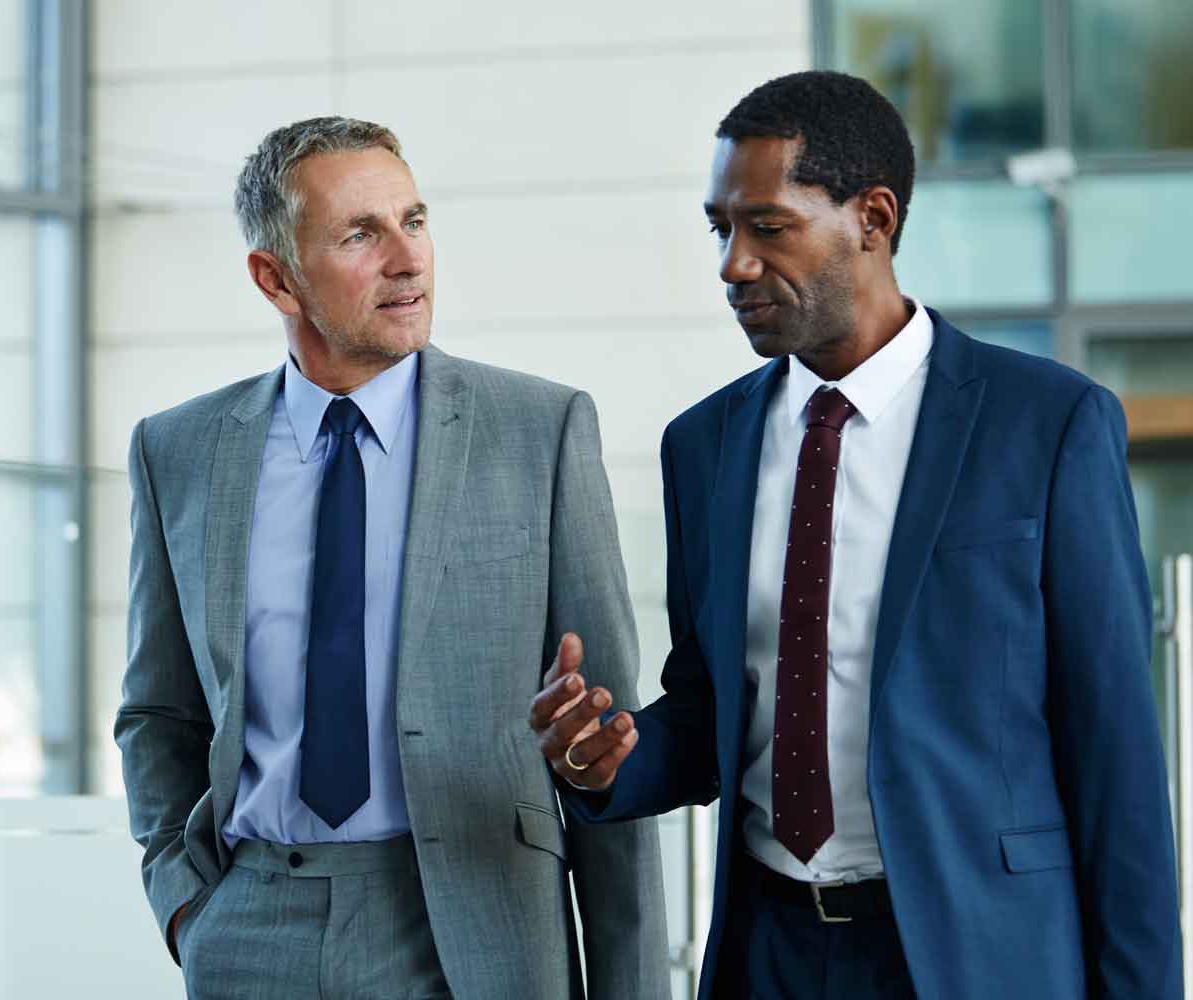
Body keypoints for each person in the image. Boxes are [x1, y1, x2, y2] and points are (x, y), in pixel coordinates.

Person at [530, 71, 1181, 999]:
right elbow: (716, 702)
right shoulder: (703, 446)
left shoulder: (1049, 424)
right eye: (722, 229)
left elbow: (1115, 760)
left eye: (768, 227)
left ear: (872, 216)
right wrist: (611, 760)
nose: (732, 265)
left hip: (973, 959)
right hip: (768, 956)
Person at [116, 116, 669, 1000]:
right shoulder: (177, 452)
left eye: (413, 221)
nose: (407, 260)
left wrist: (631, 986)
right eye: (360, 235)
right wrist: (186, 905)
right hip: (252, 925)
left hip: (478, 929)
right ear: (276, 278)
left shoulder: (540, 431)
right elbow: (158, 712)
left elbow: (608, 736)